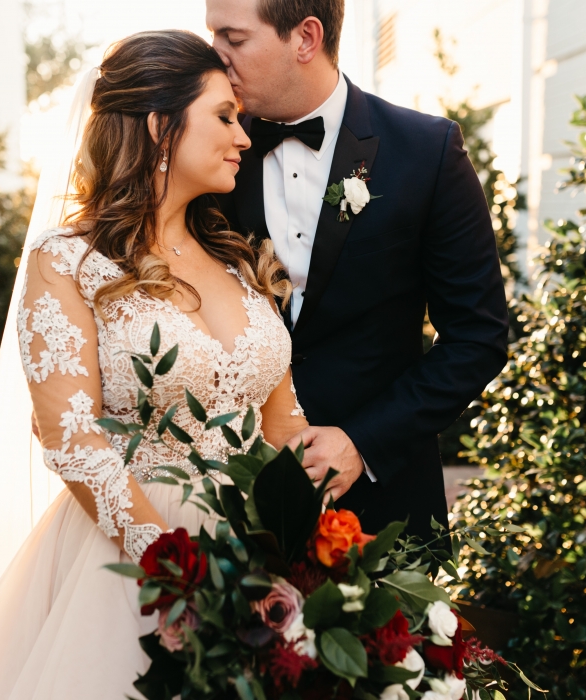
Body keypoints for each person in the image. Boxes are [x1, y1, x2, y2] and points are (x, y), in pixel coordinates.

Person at [0, 31, 309, 698]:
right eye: (223, 117)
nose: (242, 138)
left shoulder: (235, 257)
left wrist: (301, 544)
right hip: (132, 557)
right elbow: (72, 440)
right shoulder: (66, 262)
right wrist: (182, 577)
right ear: (160, 127)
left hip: (259, 555)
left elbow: (284, 423)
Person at [206, 0, 509, 538]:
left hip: (383, 507)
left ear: (305, 38)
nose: (215, 55)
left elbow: (477, 335)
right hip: (231, 504)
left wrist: (363, 441)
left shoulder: (427, 152)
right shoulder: (208, 150)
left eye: (233, 38)